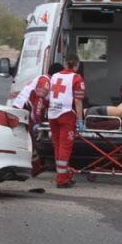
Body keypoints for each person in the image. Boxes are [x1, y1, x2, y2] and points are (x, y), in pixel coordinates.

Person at [12, 62, 64, 177]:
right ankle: (26, 167)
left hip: (23, 110)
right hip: (23, 111)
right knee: (27, 140)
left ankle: (36, 167)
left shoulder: (45, 80)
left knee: (30, 141)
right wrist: (38, 122)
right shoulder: (46, 81)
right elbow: (38, 104)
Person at [45, 54, 85, 188]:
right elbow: (78, 101)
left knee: (58, 146)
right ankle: (62, 180)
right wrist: (80, 120)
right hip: (66, 115)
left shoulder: (55, 76)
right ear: (77, 64)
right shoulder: (77, 78)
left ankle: (63, 175)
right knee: (65, 147)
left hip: (52, 114)